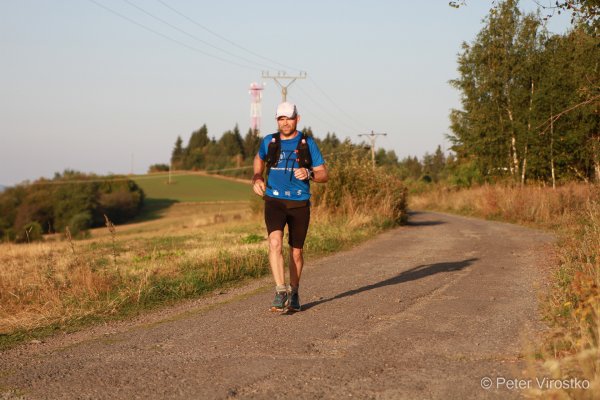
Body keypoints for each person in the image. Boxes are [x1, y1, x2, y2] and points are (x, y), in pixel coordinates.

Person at [252, 102, 328, 312]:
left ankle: (294, 292)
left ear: (297, 118)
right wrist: (257, 176)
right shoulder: (270, 141)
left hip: (299, 203)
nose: (285, 123)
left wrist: (309, 174)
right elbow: (258, 158)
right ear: (277, 120)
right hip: (274, 201)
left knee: (296, 252)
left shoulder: (307, 143)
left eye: (289, 118)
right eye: (281, 119)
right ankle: (280, 291)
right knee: (274, 243)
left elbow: (324, 174)